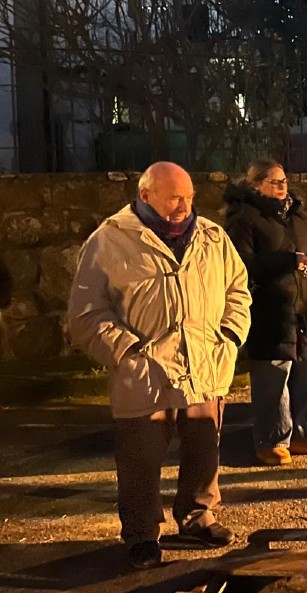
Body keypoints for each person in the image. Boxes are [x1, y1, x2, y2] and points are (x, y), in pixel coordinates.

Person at [67, 162, 251, 570]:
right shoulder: (108, 242)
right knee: (140, 458)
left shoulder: (213, 238)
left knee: (205, 449)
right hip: (144, 371)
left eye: (189, 197)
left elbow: (238, 290)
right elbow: (85, 313)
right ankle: (142, 534)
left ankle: (198, 516)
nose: (184, 206)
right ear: (145, 195)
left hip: (205, 362)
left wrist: (231, 335)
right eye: (174, 198)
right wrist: (127, 351)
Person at [224, 159, 307, 466]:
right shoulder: (244, 218)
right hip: (267, 312)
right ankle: (270, 439)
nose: (283, 187)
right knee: (273, 379)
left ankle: (295, 433)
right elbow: (242, 265)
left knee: (302, 375)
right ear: (256, 185)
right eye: (275, 182)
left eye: (284, 181)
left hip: (300, 313)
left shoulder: (295, 216)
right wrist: (287, 262)